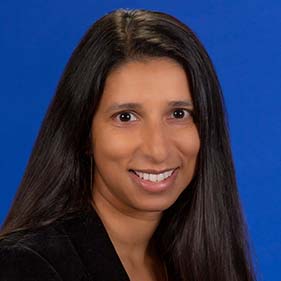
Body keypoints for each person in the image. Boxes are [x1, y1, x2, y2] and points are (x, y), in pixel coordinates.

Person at [0, 8, 256, 281]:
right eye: (126, 117)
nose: (157, 150)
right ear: (84, 133)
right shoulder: (24, 267)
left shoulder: (203, 261)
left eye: (178, 114)